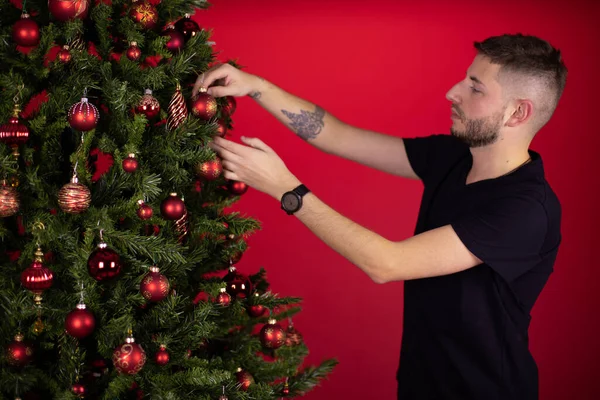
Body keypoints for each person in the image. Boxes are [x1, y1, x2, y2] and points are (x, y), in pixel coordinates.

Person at [193, 33, 567, 400]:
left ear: (518, 113)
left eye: (475, 87)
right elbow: (336, 136)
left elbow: (386, 263)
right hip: (420, 384)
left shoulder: (525, 211)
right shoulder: (454, 156)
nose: (453, 92)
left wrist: (287, 191)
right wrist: (256, 86)